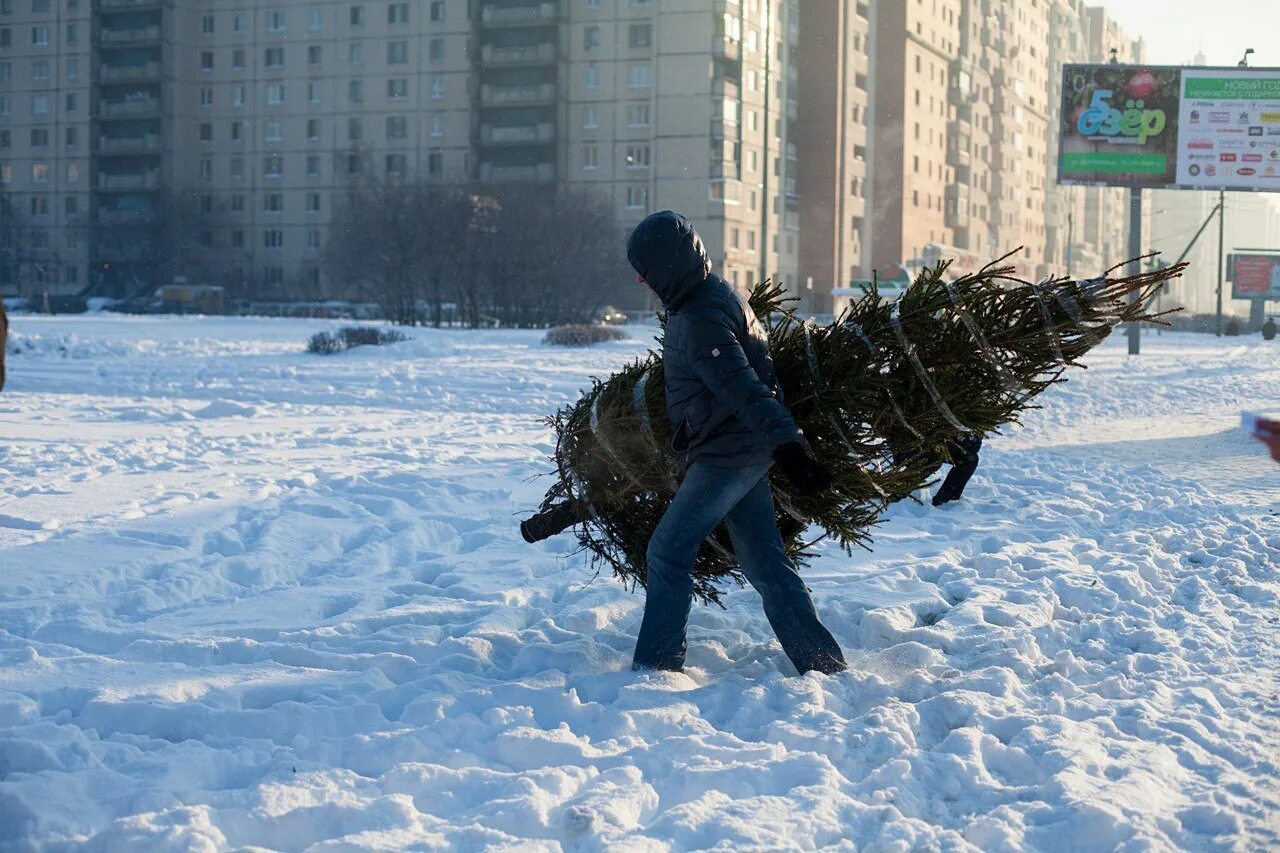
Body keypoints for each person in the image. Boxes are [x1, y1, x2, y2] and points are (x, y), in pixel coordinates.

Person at [625, 211, 847, 676]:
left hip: (727, 456)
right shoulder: (712, 294)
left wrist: (791, 450)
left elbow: (744, 388)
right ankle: (821, 661)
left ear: (665, 267)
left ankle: (656, 667)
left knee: (667, 552)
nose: (644, 284)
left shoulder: (699, 318)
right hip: (741, 451)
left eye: (645, 273)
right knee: (765, 561)